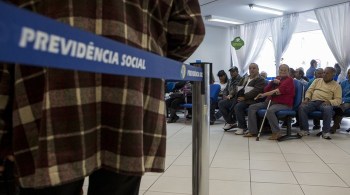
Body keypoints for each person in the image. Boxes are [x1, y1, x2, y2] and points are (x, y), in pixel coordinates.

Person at [0, 1, 205, 194]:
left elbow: (5, 29)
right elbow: (190, 31)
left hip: (48, 98)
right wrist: (145, 55)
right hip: (131, 101)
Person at [245, 64, 295, 140]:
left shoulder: (289, 80)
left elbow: (277, 91)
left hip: (284, 103)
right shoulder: (277, 78)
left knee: (270, 111)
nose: (283, 71)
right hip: (270, 101)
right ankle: (252, 131)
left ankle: (276, 132)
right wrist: (272, 82)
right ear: (279, 71)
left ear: (288, 71)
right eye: (281, 70)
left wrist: (263, 95)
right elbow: (266, 89)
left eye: (285, 70)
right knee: (252, 107)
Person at [298, 67, 342, 139]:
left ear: (333, 75)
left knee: (328, 109)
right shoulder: (317, 81)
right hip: (313, 101)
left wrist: (330, 101)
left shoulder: (337, 85)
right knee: (302, 107)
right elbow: (310, 91)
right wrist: (306, 99)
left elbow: (338, 100)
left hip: (325, 103)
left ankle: (325, 132)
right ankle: (305, 130)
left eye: (327, 73)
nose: (324, 74)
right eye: (324, 72)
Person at [232, 63, 266, 135]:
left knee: (238, 106)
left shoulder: (260, 79)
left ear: (258, 69)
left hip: (253, 100)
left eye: (254, 68)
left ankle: (242, 127)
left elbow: (256, 91)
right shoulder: (246, 78)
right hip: (243, 98)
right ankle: (231, 122)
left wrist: (244, 97)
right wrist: (231, 94)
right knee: (224, 103)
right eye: (250, 68)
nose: (251, 70)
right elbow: (239, 87)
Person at [331, 68, 350, 133]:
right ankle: (337, 123)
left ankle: (335, 126)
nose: (349, 74)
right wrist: (339, 99)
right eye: (349, 73)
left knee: (341, 107)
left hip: (348, 101)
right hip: (341, 99)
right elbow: (338, 93)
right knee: (333, 105)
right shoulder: (343, 82)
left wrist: (344, 100)